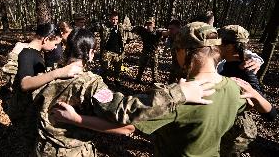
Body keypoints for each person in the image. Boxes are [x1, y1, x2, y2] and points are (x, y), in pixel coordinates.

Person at [33, 28, 216, 156]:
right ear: (90, 53)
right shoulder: (92, 85)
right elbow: (124, 110)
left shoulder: (48, 75)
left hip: (41, 148)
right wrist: (177, 93)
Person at [217, 25, 277, 156]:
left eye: (218, 40)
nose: (215, 44)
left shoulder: (245, 69)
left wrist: (254, 95)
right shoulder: (226, 62)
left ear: (229, 46)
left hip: (229, 134)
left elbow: (271, 114)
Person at [131, 17, 167, 83]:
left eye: (150, 24)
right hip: (145, 52)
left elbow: (166, 33)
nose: (148, 26)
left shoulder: (157, 32)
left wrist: (168, 31)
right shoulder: (143, 31)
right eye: (147, 24)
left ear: (154, 24)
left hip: (154, 53)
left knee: (154, 69)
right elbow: (132, 30)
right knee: (141, 67)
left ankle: (155, 82)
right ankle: (138, 79)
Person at [99, 11, 124, 85]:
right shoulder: (105, 27)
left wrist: (122, 49)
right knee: (105, 67)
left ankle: (117, 80)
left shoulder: (120, 27)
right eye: (113, 19)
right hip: (107, 51)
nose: (114, 21)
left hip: (117, 51)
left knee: (117, 68)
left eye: (116, 19)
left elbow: (124, 37)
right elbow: (98, 28)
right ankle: (104, 80)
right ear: (110, 19)